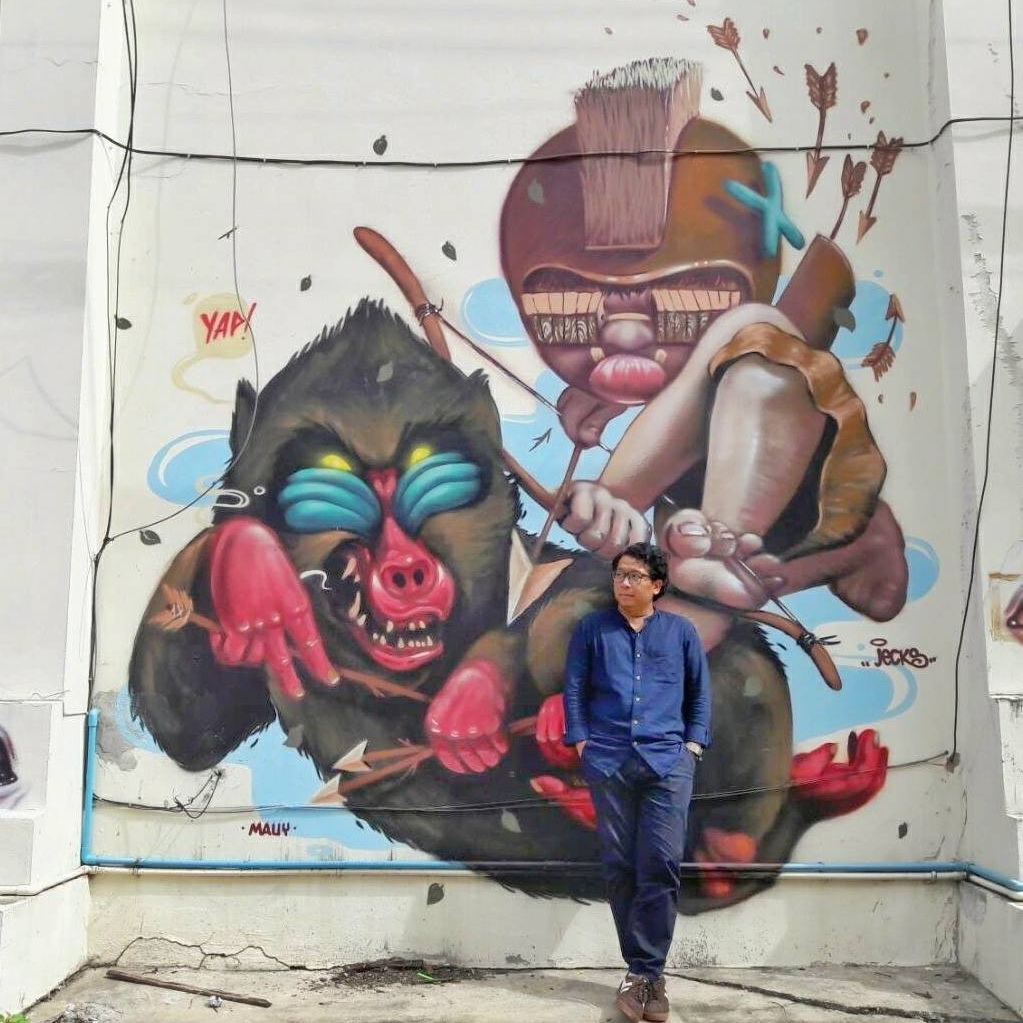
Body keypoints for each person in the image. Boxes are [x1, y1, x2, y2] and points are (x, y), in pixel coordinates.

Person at [563, 541, 711, 1022]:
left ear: (656, 586)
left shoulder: (681, 632)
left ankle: (647, 971)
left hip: (668, 764)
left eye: (634, 577)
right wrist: (581, 742)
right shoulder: (593, 630)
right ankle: (643, 972)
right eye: (619, 575)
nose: (623, 584)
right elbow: (575, 689)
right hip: (608, 762)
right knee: (620, 866)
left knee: (661, 862)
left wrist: (693, 746)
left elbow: (699, 693)